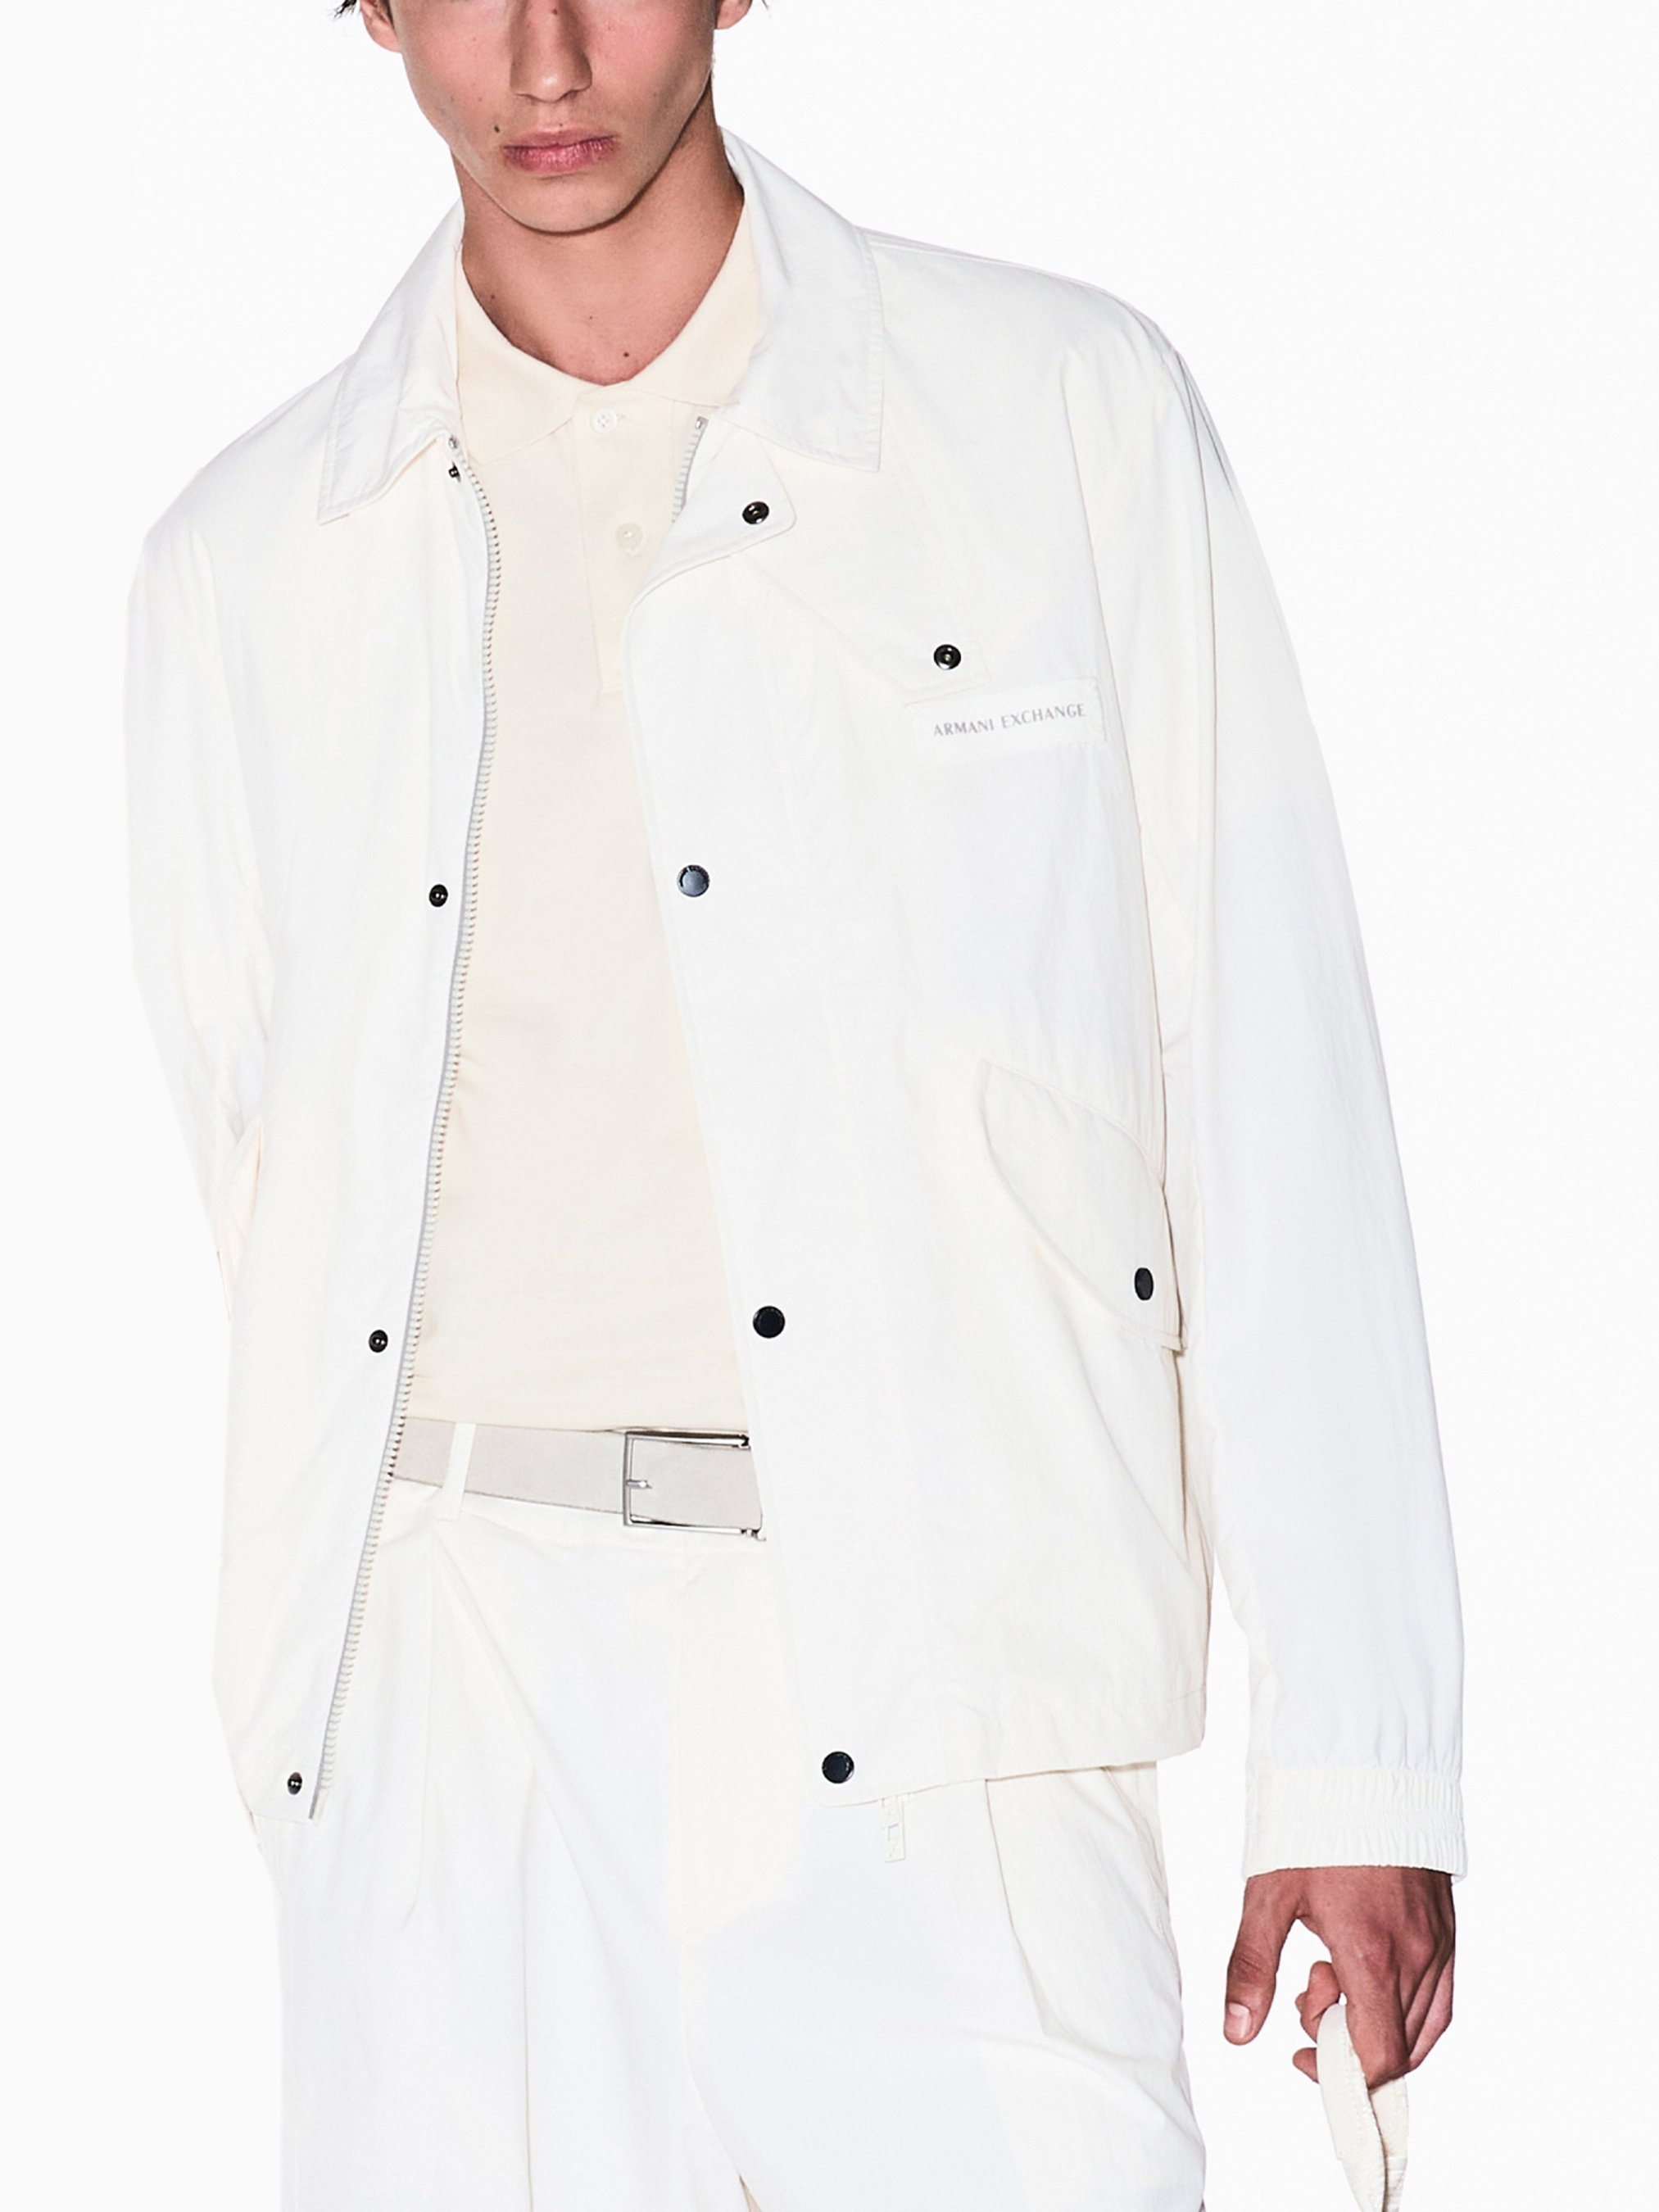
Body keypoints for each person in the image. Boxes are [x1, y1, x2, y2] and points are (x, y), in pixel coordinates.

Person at [125, 3, 1463, 2206]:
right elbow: (262, 1181)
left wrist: (1357, 1754)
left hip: (961, 1697)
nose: (544, 57)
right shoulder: (252, 556)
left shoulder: (1049, 413)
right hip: (462, 1720)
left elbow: (1266, 1074)